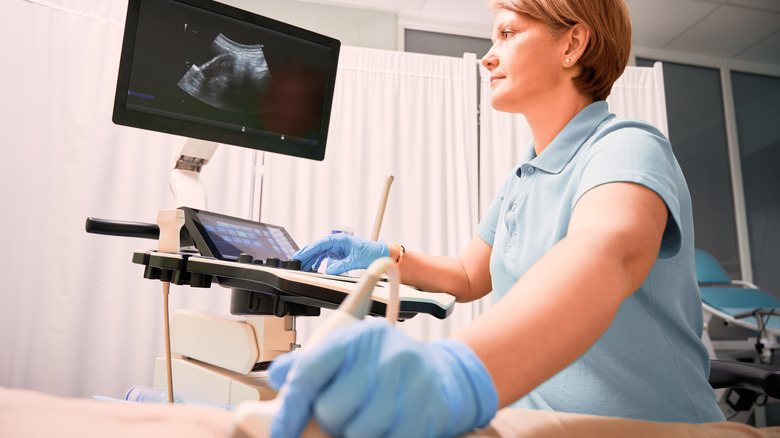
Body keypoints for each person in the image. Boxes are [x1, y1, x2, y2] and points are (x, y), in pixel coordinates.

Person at [267, 0, 726, 436]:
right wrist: (385, 255)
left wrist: (456, 370)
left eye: (507, 34)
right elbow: (469, 275)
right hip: (537, 422)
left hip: (651, 427)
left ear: (572, 45)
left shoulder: (626, 147)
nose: (488, 57)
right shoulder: (523, 178)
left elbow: (610, 254)